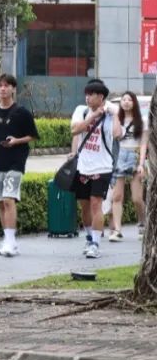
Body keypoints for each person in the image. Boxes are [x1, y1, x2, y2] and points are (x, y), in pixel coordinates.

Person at [0, 74, 39, 258]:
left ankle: (10, 241)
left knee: (9, 199)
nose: (2, 89)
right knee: (1, 203)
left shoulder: (22, 112)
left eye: (6, 85)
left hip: (16, 161)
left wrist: (17, 141)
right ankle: (8, 239)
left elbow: (32, 136)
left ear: (13, 89)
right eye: (0, 85)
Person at [70, 79, 122, 258]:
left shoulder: (110, 114)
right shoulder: (81, 111)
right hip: (83, 167)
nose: (88, 97)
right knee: (84, 206)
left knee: (95, 204)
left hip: (103, 167)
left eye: (92, 94)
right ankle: (88, 237)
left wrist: (115, 114)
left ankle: (95, 243)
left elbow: (117, 134)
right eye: (87, 94)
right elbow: (75, 130)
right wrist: (93, 116)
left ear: (101, 97)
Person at [109, 91, 148, 242]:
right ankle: (117, 230)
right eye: (123, 100)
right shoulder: (117, 119)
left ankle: (143, 223)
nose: (126, 102)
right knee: (117, 196)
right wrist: (115, 117)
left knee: (137, 198)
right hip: (120, 155)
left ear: (134, 103)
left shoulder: (142, 121)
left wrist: (141, 164)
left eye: (129, 100)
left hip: (135, 155)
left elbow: (143, 144)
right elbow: (115, 136)